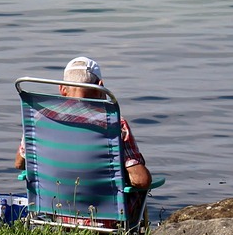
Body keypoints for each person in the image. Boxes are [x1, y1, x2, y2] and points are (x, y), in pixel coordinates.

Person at [14, 55, 153, 190]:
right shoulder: (114, 123)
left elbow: (20, 163)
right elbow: (141, 180)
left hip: (52, 206)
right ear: (100, 87)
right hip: (104, 210)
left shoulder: (39, 118)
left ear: (62, 89)